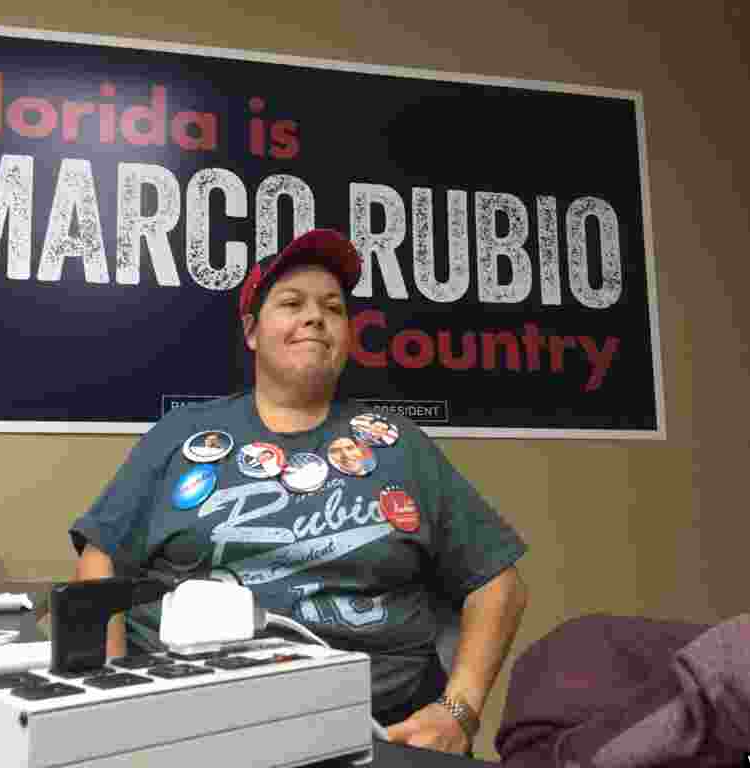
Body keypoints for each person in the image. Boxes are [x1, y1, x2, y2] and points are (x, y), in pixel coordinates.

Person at [70, 228, 529, 755]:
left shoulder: (400, 445)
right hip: (194, 725)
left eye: (333, 308)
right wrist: (110, 712)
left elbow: (501, 584)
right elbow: (99, 562)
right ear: (251, 332)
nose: (315, 317)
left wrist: (458, 711)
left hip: (373, 726)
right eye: (292, 303)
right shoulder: (182, 434)